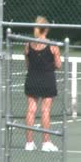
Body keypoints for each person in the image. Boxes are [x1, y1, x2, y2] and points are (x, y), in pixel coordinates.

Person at [24, 16, 61, 152]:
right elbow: (58, 64)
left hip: (32, 78)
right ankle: (46, 142)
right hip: (47, 80)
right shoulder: (52, 45)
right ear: (46, 29)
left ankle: (29, 142)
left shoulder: (28, 44)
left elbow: (27, 64)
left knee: (31, 110)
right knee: (45, 110)